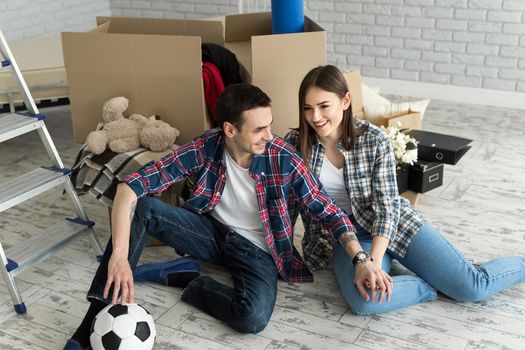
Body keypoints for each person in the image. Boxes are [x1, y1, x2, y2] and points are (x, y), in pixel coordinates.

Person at [64, 83, 375, 350]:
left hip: (258, 250)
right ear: (229, 129)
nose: (269, 135)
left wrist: (361, 259)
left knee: (251, 318)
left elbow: (328, 209)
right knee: (145, 208)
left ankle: (191, 281)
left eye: (269, 125)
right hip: (211, 234)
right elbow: (129, 188)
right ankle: (93, 318)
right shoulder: (206, 145)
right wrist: (119, 255)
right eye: (258, 129)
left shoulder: (284, 158)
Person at [285, 64, 525, 315]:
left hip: (394, 224)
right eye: (307, 108)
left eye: (324, 106)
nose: (315, 117)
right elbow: (285, 206)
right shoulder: (294, 145)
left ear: (345, 101)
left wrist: (373, 264)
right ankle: (432, 286)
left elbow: (388, 208)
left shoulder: (374, 140)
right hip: (346, 239)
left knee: (473, 288)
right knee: (365, 301)